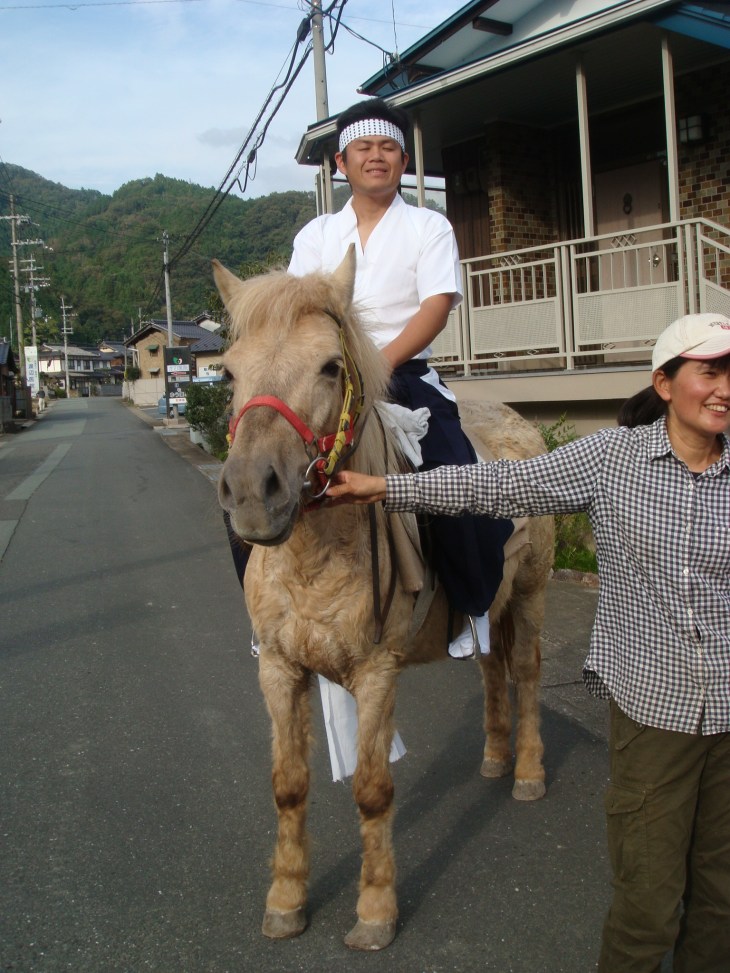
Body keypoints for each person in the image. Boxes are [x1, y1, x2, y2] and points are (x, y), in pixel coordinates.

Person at [327, 312, 730, 973]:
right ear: (664, 383)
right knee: (648, 905)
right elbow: (498, 484)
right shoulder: (613, 459)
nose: (724, 388)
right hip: (656, 713)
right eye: (710, 372)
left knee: (720, 902)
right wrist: (386, 487)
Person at [288, 97, 513, 659]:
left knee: (456, 476)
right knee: (259, 472)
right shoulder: (317, 234)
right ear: (341, 162)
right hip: (328, 380)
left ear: (404, 161)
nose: (376, 156)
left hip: (404, 376)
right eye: (363, 147)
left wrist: (377, 366)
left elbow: (435, 307)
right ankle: (270, 613)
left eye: (388, 147)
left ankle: (472, 607)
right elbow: (297, 310)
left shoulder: (427, 225)